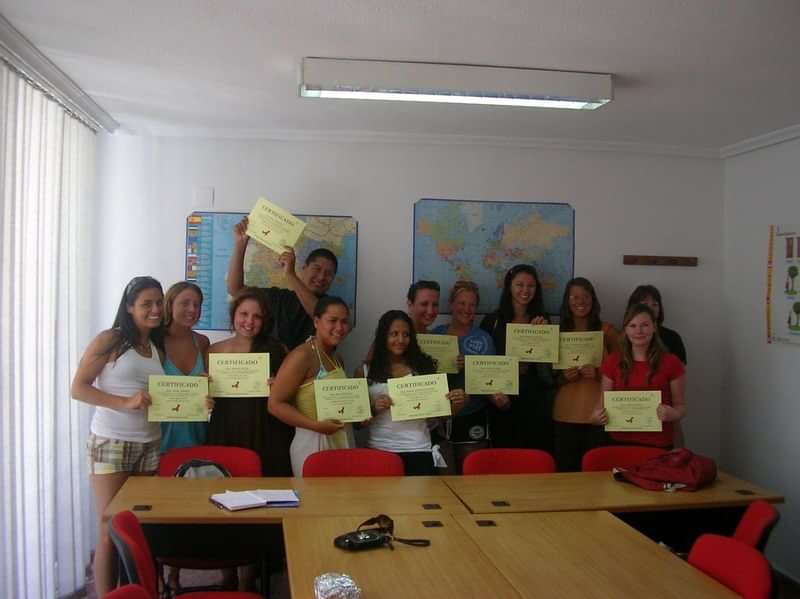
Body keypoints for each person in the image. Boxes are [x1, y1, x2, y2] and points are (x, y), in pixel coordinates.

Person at [71, 276, 165, 596]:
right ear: (129, 307)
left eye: (159, 302)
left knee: (136, 525)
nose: (155, 309)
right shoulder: (111, 339)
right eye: (146, 303)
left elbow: (161, 397)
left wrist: (196, 402)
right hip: (112, 441)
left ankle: (133, 591)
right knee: (108, 528)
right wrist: (124, 403)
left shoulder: (155, 346)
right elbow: (78, 388)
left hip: (149, 443)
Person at [356, 310, 465, 475]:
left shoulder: (423, 367)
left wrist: (457, 403)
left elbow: (443, 416)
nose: (400, 340)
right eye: (394, 334)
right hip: (379, 450)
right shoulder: (364, 371)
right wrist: (374, 408)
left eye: (406, 334)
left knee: (418, 501)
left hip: (418, 450)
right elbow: (357, 424)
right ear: (383, 336)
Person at [207, 288, 292, 476]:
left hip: (267, 429)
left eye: (257, 316)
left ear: (265, 321)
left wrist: (280, 386)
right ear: (233, 315)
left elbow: (292, 395)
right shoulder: (213, 351)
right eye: (244, 314)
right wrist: (204, 390)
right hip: (226, 427)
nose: (249, 322)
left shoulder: (278, 349)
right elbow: (204, 398)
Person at [268, 296, 354, 476]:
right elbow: (275, 405)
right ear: (316, 321)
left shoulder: (338, 359)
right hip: (312, 444)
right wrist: (315, 426)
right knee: (315, 502)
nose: (339, 328)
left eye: (345, 322)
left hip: (341, 440)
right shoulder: (302, 356)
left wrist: (360, 415)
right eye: (332, 320)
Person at [226, 216, 339, 349]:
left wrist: (290, 275)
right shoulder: (278, 298)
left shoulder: (334, 308)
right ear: (304, 269)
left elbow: (321, 315)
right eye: (317, 269)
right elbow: (236, 290)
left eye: (328, 274)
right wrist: (241, 244)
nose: (321, 277)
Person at [480, 264, 556, 451]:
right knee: (505, 457)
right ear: (509, 287)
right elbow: (481, 365)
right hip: (502, 400)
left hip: (535, 400)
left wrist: (543, 336)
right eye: (519, 285)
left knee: (535, 456)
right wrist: (492, 395)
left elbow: (549, 371)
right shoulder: (493, 320)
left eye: (531, 286)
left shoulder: (543, 319)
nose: (525, 290)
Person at [431, 280, 503, 472]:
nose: (467, 309)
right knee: (443, 480)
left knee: (472, 477)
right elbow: (424, 376)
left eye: (472, 305)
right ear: (451, 305)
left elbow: (492, 380)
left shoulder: (484, 338)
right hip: (441, 419)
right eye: (462, 303)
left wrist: (469, 367)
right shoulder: (435, 335)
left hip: (473, 417)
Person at [592, 303, 686, 448]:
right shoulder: (612, 362)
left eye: (645, 325)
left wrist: (672, 414)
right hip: (618, 444)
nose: (639, 331)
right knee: (619, 472)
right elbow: (600, 407)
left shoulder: (671, 362)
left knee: (656, 472)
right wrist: (597, 417)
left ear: (654, 327)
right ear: (625, 330)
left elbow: (680, 407)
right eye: (633, 325)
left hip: (658, 445)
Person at [552, 277, 619, 471]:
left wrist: (599, 373)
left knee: (597, 477)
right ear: (567, 300)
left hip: (599, 415)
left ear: (593, 299)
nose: (580, 301)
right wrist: (564, 376)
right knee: (566, 477)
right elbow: (545, 377)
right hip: (564, 414)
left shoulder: (607, 331)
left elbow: (624, 370)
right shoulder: (556, 332)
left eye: (585, 296)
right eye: (574, 297)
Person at [159, 281, 212, 454]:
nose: (192, 309)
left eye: (197, 305)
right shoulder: (153, 342)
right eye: (185, 303)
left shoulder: (203, 342)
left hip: (197, 438)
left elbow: (211, 385)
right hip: (158, 441)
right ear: (170, 304)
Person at [626, 285, 687, 364]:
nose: (651, 308)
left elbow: (680, 370)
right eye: (645, 304)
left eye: (655, 304)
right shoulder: (623, 337)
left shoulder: (673, 337)